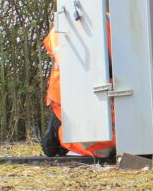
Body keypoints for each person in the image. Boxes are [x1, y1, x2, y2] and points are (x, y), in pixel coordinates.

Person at [41, 27, 116, 158]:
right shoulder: (119, 24)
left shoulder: (62, 28)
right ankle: (55, 135)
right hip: (73, 103)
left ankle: (55, 136)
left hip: (68, 101)